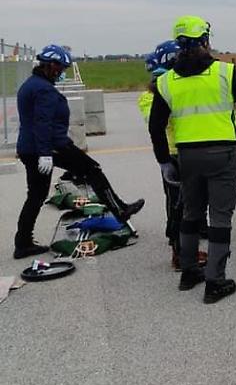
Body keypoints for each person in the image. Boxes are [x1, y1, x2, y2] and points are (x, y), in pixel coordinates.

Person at [148, 16, 236, 304]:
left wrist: (164, 161)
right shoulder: (224, 72)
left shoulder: (165, 81)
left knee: (191, 213)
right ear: (205, 40)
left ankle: (189, 271)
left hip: (187, 157)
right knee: (220, 216)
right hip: (222, 155)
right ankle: (215, 280)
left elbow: (156, 127)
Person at [14, 45, 145, 259]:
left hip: (32, 148)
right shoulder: (43, 89)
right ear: (50, 65)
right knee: (92, 169)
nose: (61, 72)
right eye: (60, 68)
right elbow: (42, 122)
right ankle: (120, 210)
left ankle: (22, 243)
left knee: (36, 195)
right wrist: (45, 153)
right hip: (49, 147)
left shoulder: (32, 84)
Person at [139, 40, 207, 271]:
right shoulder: (155, 93)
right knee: (179, 205)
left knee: (186, 203)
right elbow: (158, 123)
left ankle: (182, 246)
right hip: (173, 154)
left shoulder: (170, 86)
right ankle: (180, 254)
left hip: (184, 151)